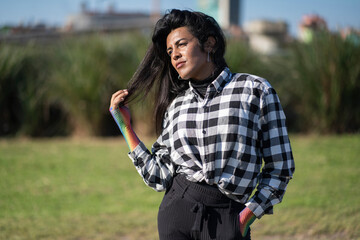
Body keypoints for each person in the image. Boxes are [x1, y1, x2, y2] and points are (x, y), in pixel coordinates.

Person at [109, 9, 295, 240]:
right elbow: (158, 176)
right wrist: (125, 127)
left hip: (229, 217)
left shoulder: (255, 90)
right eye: (169, 51)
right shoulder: (176, 107)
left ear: (209, 43)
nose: (174, 55)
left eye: (181, 44)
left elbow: (280, 167)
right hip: (176, 214)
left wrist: (245, 218)